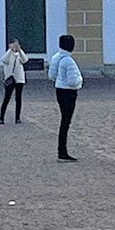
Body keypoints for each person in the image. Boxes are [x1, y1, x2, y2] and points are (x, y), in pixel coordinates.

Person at [47, 33, 83, 161]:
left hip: (59, 90)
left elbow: (51, 75)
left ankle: (62, 150)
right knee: (65, 122)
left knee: (64, 121)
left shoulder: (56, 57)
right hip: (68, 92)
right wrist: (80, 80)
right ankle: (62, 151)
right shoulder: (69, 61)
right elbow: (73, 81)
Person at [0, 39, 27, 124]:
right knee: (6, 98)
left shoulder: (19, 55)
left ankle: (17, 117)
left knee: (18, 99)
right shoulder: (8, 54)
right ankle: (1, 117)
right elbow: (4, 60)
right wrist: (10, 51)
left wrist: (20, 50)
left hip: (19, 79)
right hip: (10, 78)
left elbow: (25, 60)